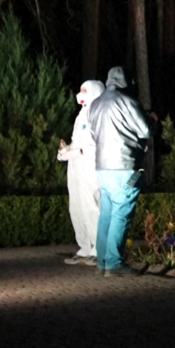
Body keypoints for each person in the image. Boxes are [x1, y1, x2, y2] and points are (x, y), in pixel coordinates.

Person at [88, 66, 151, 277]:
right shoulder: (128, 102)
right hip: (125, 165)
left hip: (102, 166)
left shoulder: (95, 104)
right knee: (121, 214)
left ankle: (102, 262)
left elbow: (94, 134)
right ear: (127, 82)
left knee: (106, 214)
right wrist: (151, 119)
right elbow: (144, 130)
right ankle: (114, 263)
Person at [57, 80, 105, 266]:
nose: (80, 94)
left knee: (91, 208)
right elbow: (77, 144)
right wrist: (65, 150)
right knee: (76, 208)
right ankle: (84, 247)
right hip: (76, 169)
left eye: (84, 91)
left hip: (89, 169)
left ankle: (98, 249)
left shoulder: (97, 115)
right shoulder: (80, 116)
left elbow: (93, 147)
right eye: (80, 90)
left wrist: (72, 153)